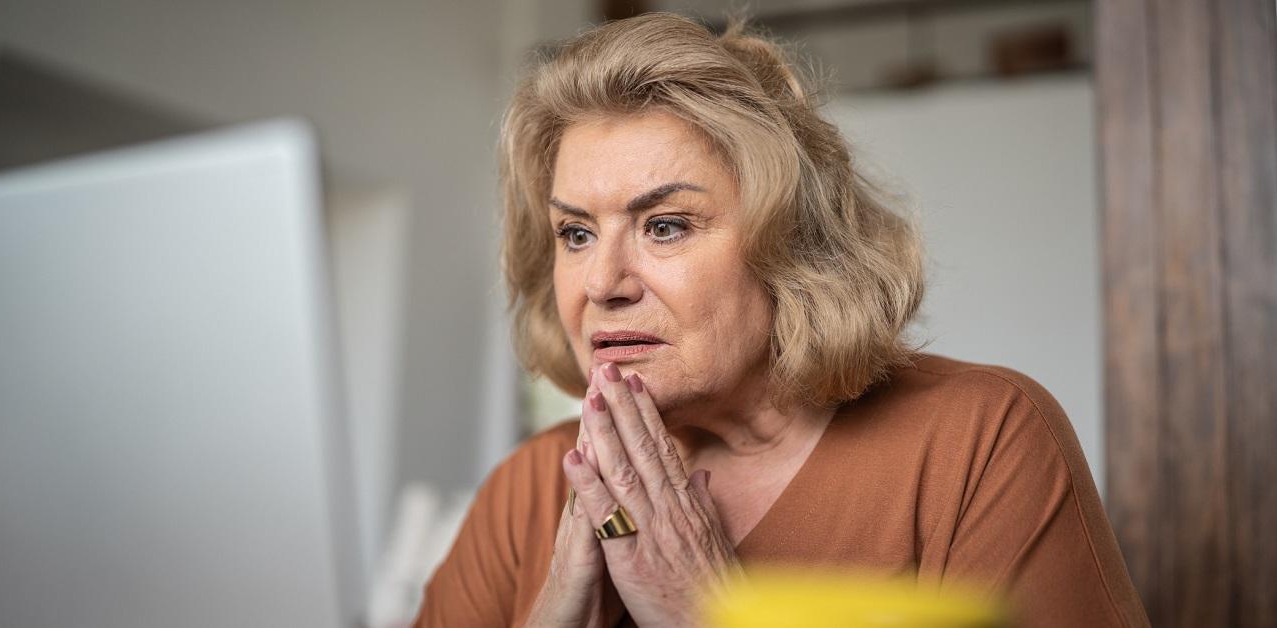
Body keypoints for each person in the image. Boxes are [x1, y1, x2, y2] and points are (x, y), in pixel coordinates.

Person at [414, 12, 1148, 628]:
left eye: (664, 226)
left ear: (792, 246)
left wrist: (710, 616)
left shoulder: (978, 444)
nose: (601, 282)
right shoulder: (532, 490)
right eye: (576, 234)